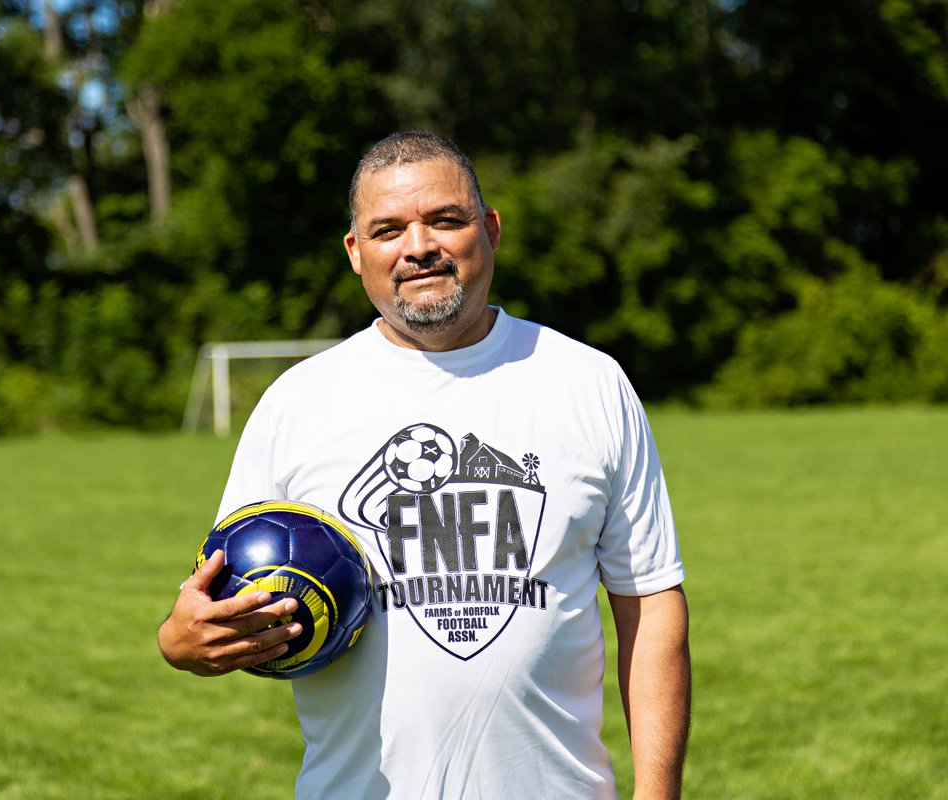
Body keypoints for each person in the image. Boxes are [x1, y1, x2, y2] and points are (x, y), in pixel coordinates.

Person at [159, 130, 691, 799]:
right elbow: (222, 604)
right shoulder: (298, 402)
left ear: (490, 230)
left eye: (446, 219)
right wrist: (182, 643)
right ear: (356, 252)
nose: (419, 247)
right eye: (388, 230)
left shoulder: (588, 383)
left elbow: (650, 603)